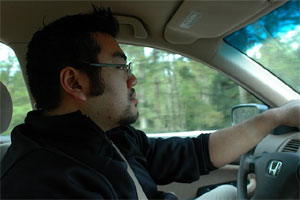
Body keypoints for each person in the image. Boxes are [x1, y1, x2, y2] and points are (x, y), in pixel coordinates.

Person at [1, 7, 299, 199]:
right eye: (120, 68)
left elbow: (197, 152)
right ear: (75, 83)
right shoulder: (41, 182)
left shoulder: (110, 136)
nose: (132, 80)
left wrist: (277, 116)